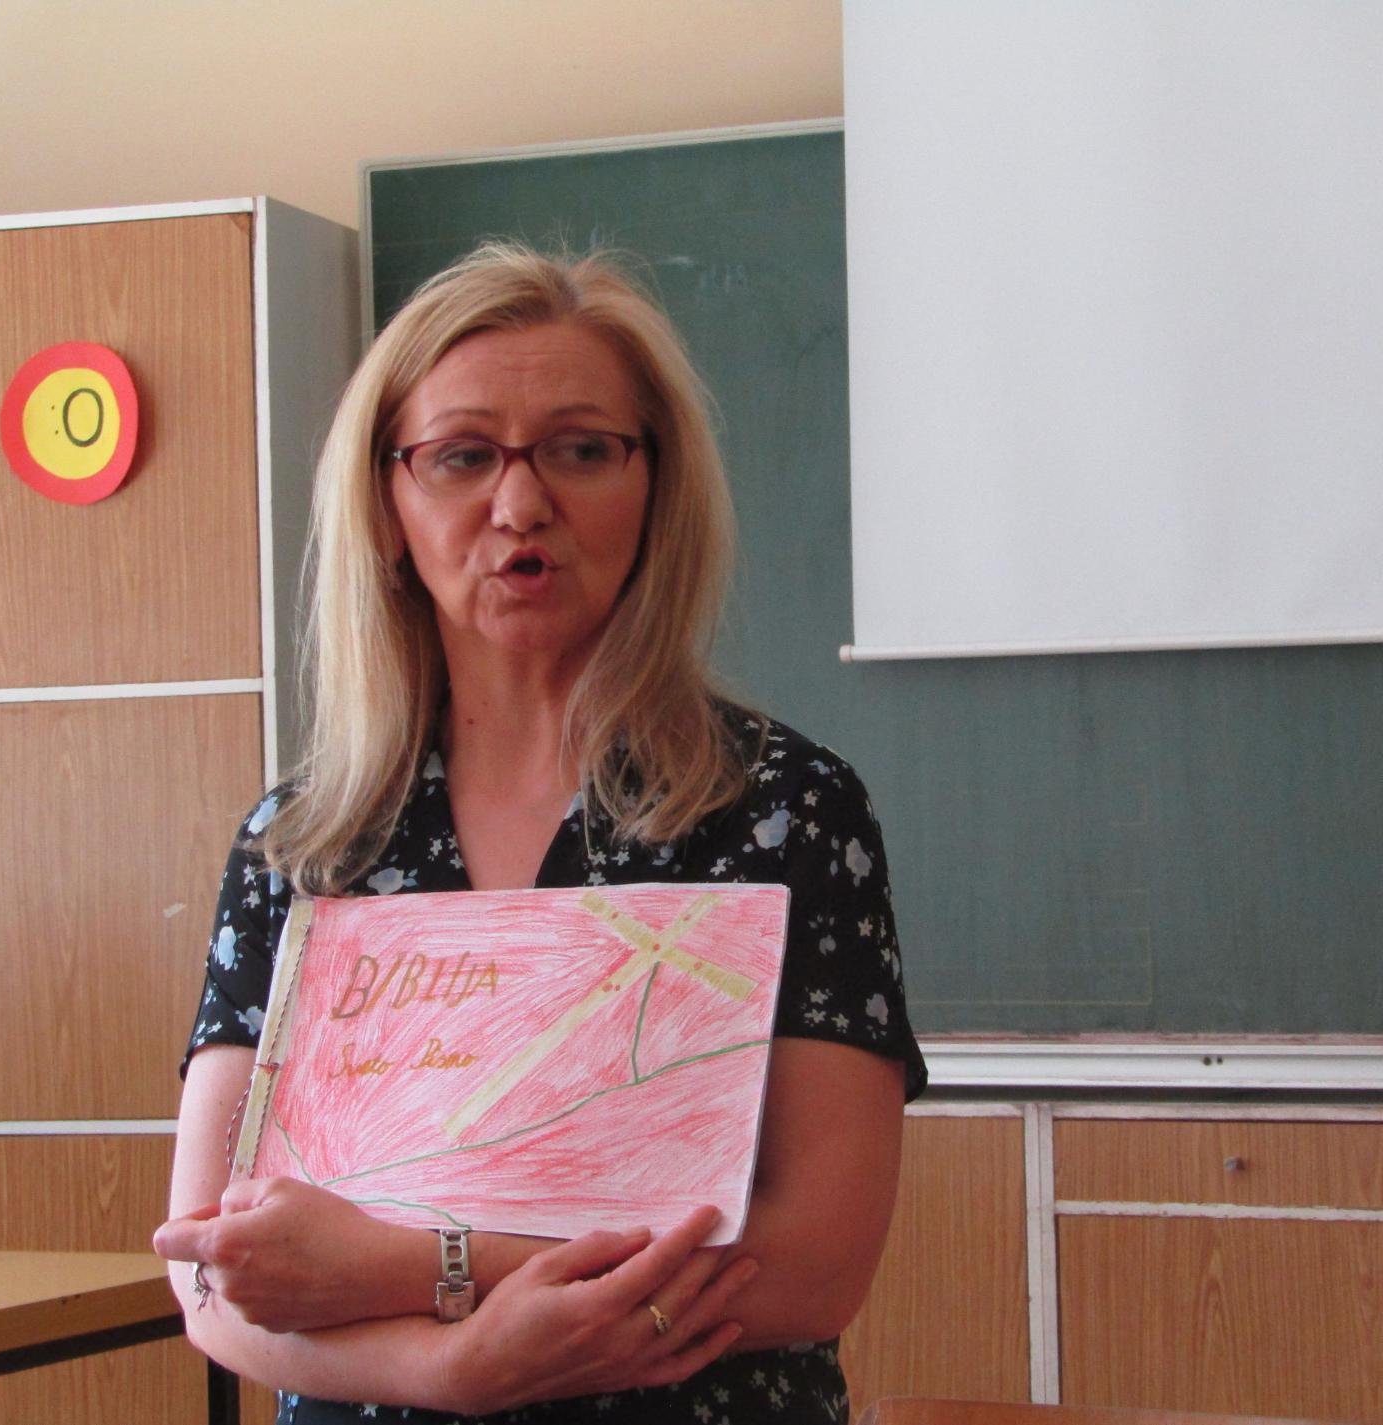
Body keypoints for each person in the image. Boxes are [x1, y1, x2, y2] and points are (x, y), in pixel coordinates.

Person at [154, 243, 929, 1424]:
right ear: (386, 501)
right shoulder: (304, 844)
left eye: (580, 450)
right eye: (462, 456)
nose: (521, 506)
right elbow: (211, 1276)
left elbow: (813, 1267)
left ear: (656, 486)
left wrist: (410, 1269)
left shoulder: (782, 811)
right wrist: (449, 1370)